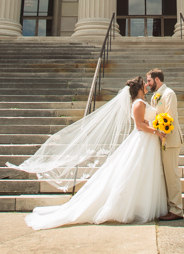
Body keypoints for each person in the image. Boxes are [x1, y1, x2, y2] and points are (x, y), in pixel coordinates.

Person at [15, 76, 168, 230]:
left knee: (143, 172)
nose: (147, 85)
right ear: (139, 88)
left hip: (147, 141)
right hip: (142, 140)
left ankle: (140, 205)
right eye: (144, 84)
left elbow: (144, 121)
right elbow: (139, 125)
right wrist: (158, 132)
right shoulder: (138, 103)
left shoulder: (142, 102)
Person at [147, 68, 184, 220]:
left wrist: (164, 135)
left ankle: (176, 210)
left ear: (157, 79)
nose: (148, 84)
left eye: (149, 81)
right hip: (160, 139)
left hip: (170, 140)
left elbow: (170, 117)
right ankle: (169, 207)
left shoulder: (169, 94)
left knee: (172, 175)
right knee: (165, 176)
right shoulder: (155, 96)